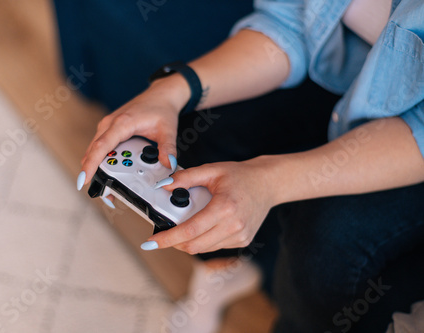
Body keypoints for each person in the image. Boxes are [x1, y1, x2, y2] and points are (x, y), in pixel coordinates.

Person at [55, 0, 424, 332]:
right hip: (351, 71)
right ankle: (222, 271)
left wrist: (269, 181)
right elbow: (289, 24)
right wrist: (172, 92)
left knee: (325, 244)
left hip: (412, 140)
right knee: (202, 126)